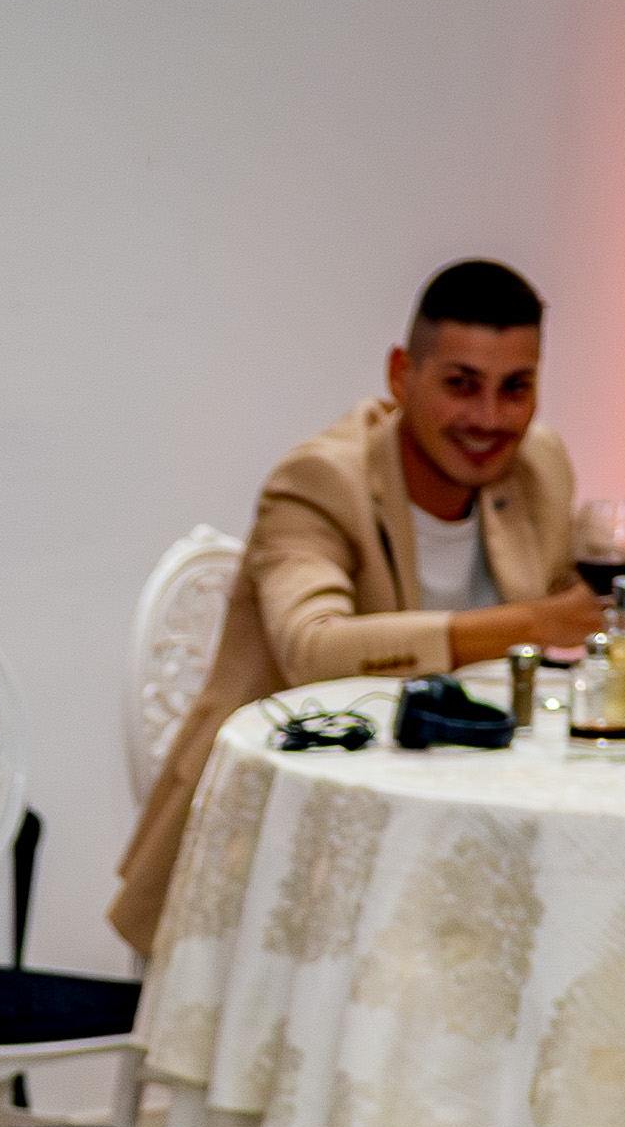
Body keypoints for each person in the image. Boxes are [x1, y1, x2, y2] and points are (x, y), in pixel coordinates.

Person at [110, 258, 599, 961]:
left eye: (515, 389)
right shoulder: (319, 480)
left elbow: (575, 599)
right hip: (275, 847)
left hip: (456, 829)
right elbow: (314, 650)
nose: (490, 419)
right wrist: (534, 624)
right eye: (461, 385)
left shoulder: (537, 466)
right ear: (402, 375)